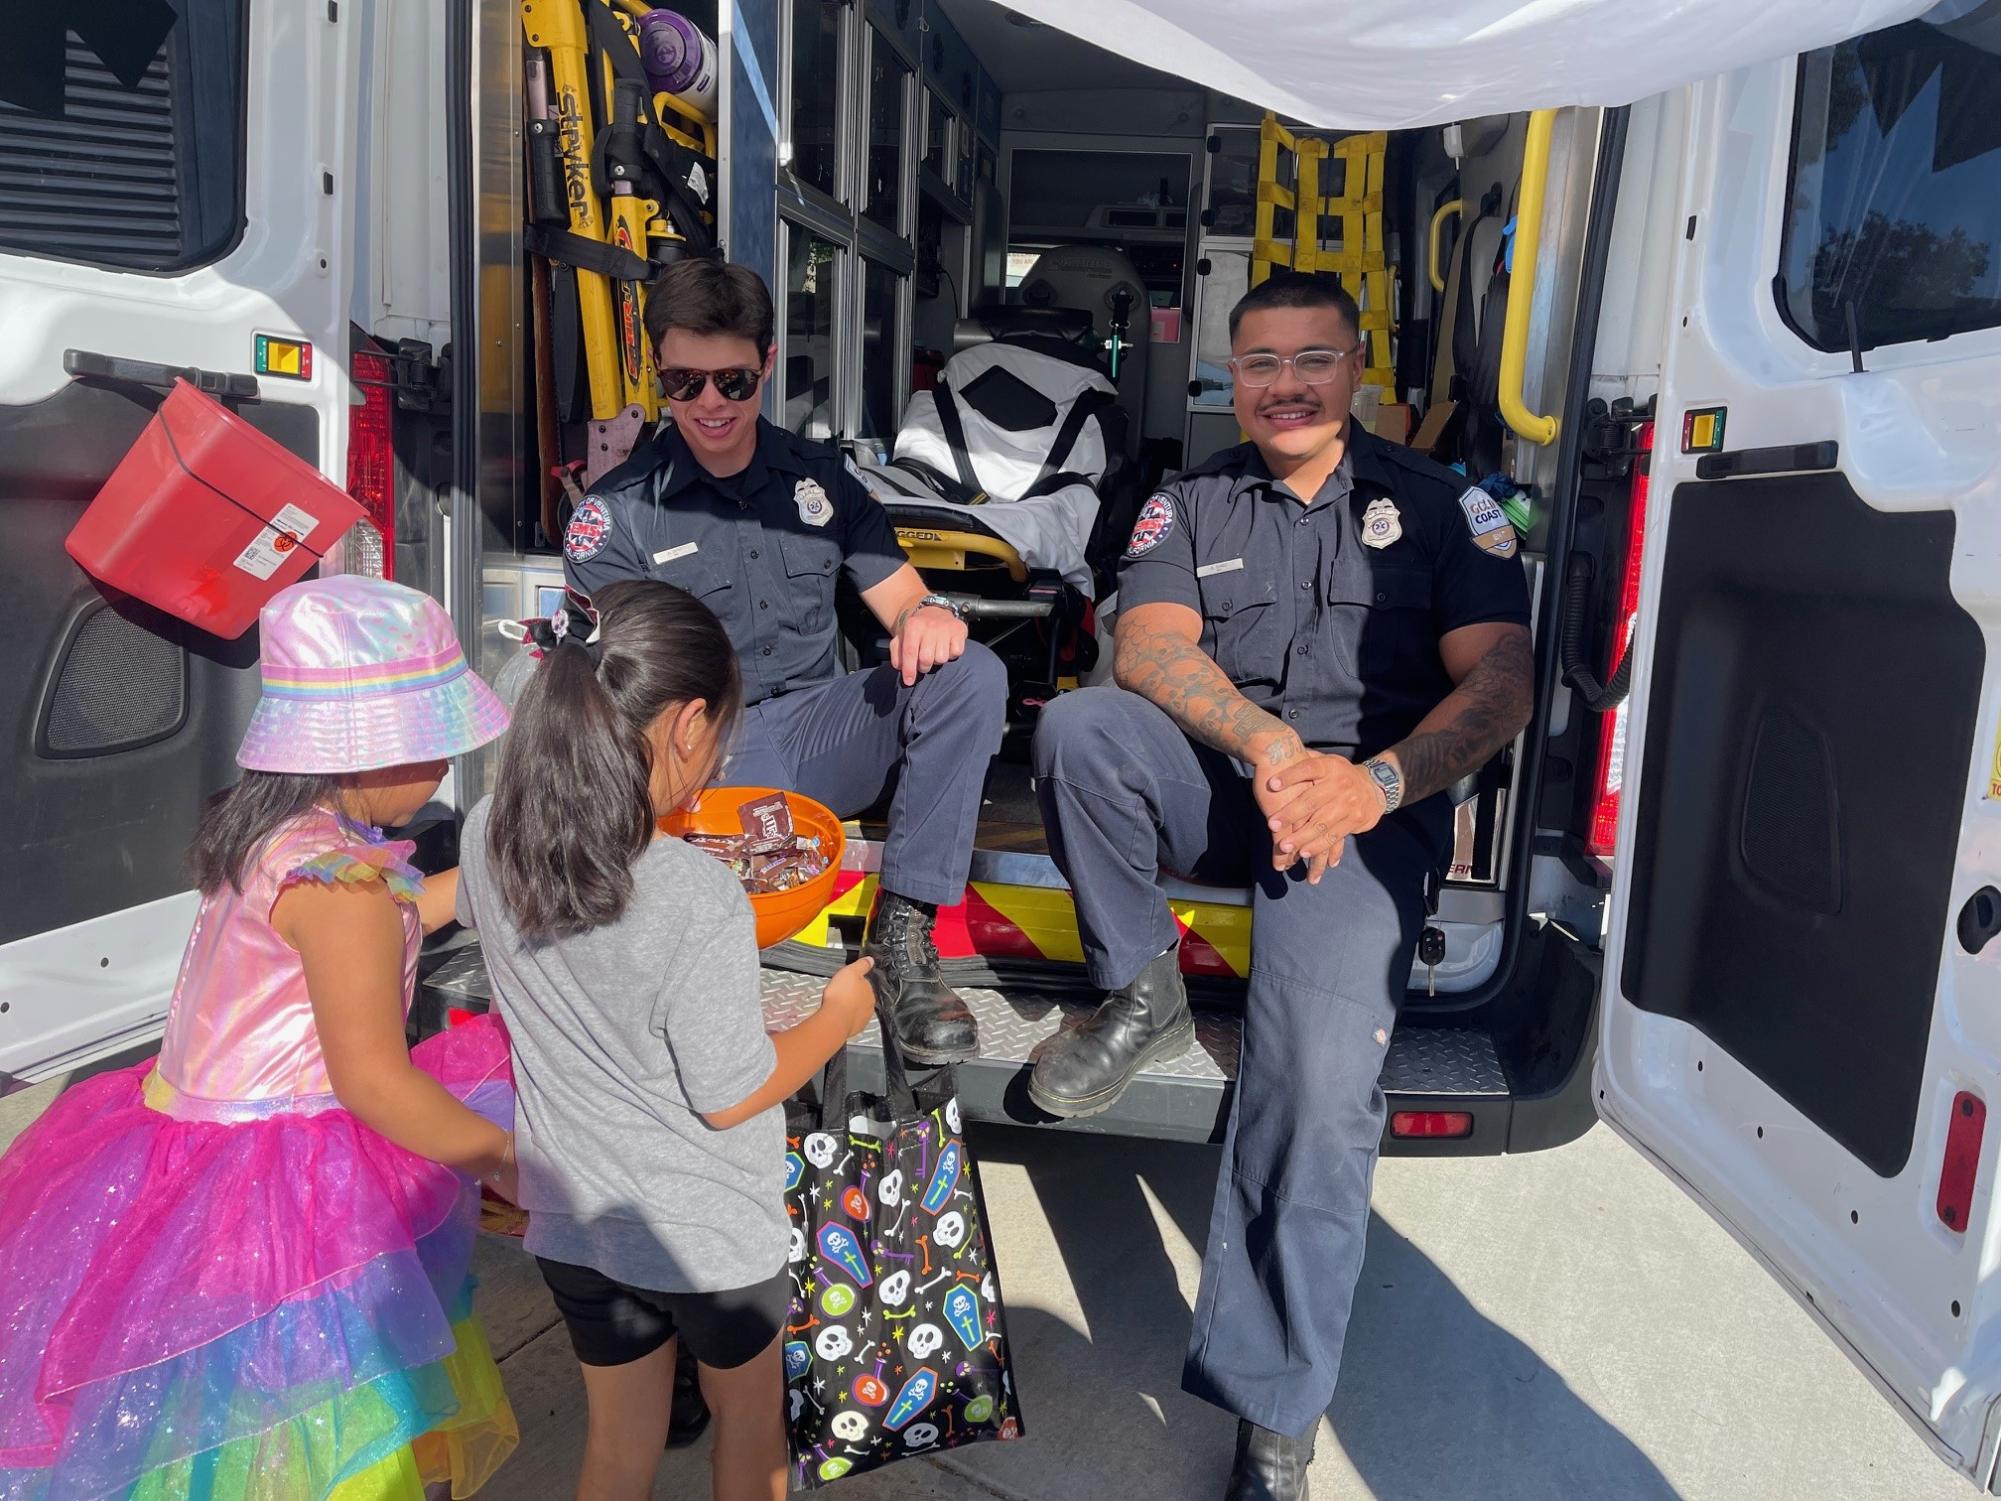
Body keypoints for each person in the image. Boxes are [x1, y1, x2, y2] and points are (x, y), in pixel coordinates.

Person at [1029, 272, 1534, 1500]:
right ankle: (1139, 990)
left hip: (1368, 816)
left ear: (1356, 366)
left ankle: (1276, 1417)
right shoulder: (1188, 502)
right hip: (1236, 781)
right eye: (1260, 363)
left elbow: (1503, 680)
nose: (1286, 385)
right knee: (1080, 729)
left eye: (1312, 359)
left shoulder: (1440, 508)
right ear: (1232, 377)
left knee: (1315, 1082)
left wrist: (1373, 783)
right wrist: (1267, 748)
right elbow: (1147, 646)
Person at [0, 575, 520, 1499]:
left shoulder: (283, 836)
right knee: (324, 1415)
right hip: (284, 1183)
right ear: (362, 747)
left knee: (211, 1410)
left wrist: (502, 891)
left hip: (182, 1158)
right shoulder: (342, 887)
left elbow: (403, 914)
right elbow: (373, 1082)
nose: (448, 762)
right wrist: (508, 1158)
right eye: (432, 742)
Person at [455, 579, 879, 1501]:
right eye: (722, 736)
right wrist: (836, 1017)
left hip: (575, 1224)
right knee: (751, 1430)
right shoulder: (694, 891)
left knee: (616, 1450)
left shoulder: (490, 836)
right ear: (687, 725)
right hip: (708, 1240)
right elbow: (732, 1091)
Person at [562, 258, 1006, 1067]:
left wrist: (931, 616)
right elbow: (618, 691)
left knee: (971, 671)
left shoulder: (823, 482)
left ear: (767, 364)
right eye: (683, 382)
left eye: (731, 380)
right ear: (658, 376)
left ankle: (905, 940)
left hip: (816, 727)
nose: (708, 404)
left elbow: (904, 601)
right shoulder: (616, 513)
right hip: (696, 754)